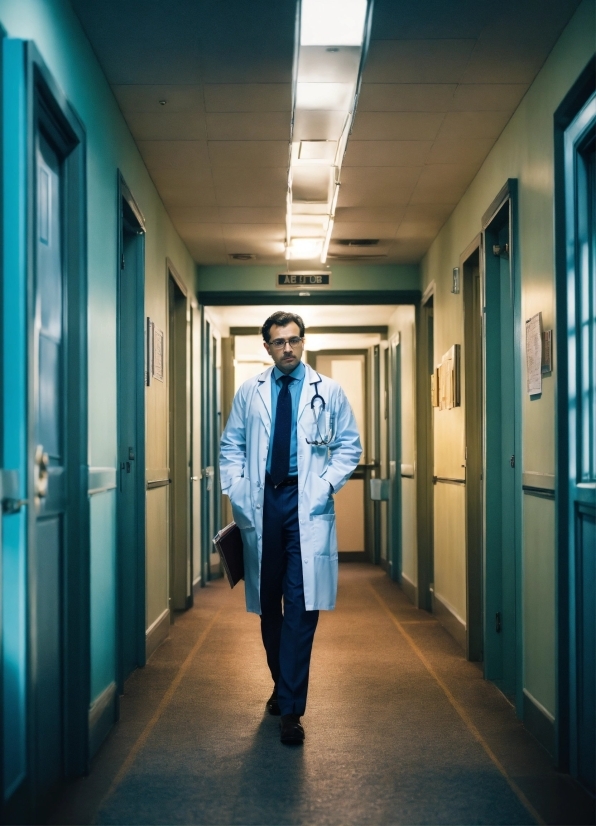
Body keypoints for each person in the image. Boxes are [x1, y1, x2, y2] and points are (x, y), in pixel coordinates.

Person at [219, 311, 362, 745]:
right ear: (266, 347)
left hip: (308, 502)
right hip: (263, 503)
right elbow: (232, 447)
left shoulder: (328, 391)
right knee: (269, 603)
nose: (288, 348)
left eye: (295, 340)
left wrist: (323, 486)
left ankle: (291, 709)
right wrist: (240, 492)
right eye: (279, 342)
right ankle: (283, 685)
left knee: (301, 606)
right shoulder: (251, 391)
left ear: (303, 342)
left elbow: (349, 446)